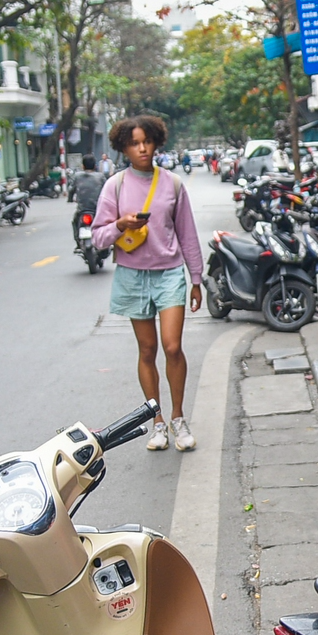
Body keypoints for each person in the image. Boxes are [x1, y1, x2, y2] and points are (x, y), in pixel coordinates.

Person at [92, 115, 203, 452]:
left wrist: (196, 278)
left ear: (156, 142)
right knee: (147, 350)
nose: (142, 148)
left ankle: (179, 417)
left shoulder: (172, 184)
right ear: (123, 147)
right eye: (134, 143)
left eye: (147, 141)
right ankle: (157, 423)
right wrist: (120, 226)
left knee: (172, 346)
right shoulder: (115, 186)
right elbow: (98, 238)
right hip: (132, 275)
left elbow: (187, 233)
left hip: (169, 273)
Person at [73, 154, 107, 238]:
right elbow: (107, 190)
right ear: (95, 166)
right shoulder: (100, 176)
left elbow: (71, 189)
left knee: (75, 222)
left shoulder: (77, 176)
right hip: (98, 209)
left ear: (83, 166)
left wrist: (70, 199)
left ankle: (77, 241)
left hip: (82, 209)